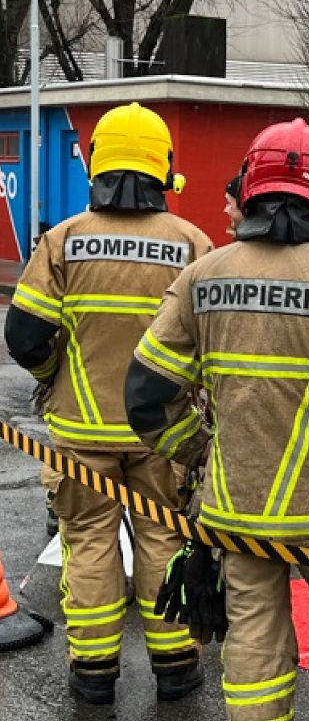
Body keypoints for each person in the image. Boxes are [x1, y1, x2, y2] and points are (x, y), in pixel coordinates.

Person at [124, 117, 309, 721]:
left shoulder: (202, 277)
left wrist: (200, 451)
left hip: (239, 514)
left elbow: (145, 396)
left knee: (253, 649)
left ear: (249, 187)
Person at [4, 102, 213, 703]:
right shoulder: (193, 243)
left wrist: (54, 374)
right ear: (161, 168)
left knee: (89, 543)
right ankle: (175, 666)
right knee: (163, 541)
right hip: (163, 437)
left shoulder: (63, 241)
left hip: (80, 436)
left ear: (96, 164)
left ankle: (93, 674)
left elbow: (24, 336)